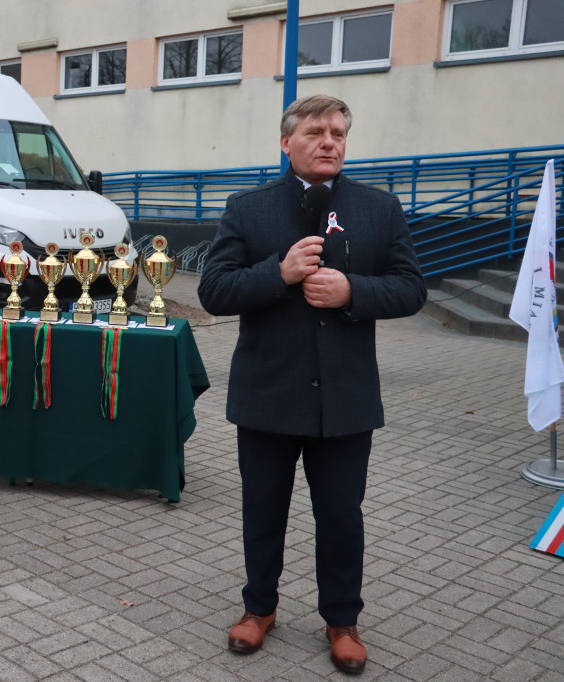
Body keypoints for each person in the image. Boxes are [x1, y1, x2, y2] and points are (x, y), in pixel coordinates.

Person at [197, 94, 426, 674]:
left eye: (339, 133)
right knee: (263, 511)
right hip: (268, 394)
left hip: (345, 401)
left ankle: (342, 620)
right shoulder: (248, 209)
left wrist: (354, 292)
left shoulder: (379, 208)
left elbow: (410, 288)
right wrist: (277, 274)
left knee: (343, 517)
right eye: (317, 132)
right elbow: (214, 291)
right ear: (286, 143)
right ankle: (259, 609)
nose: (330, 141)